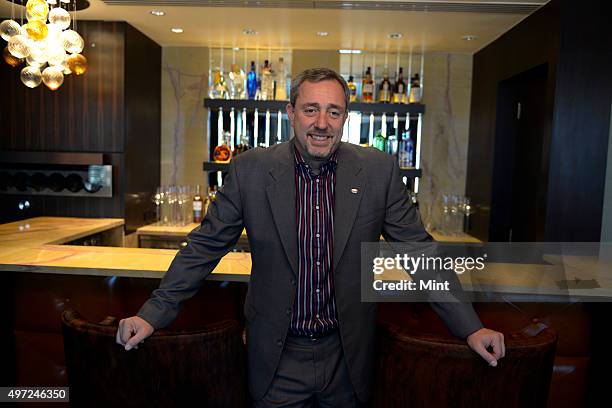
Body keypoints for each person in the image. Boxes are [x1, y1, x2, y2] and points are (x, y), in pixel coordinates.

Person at [117, 68, 505, 407]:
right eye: (311, 109)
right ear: (291, 114)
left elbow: (420, 253)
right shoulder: (251, 171)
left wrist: (470, 326)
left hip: (347, 358)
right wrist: (152, 314)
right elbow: (205, 246)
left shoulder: (377, 171)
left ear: (344, 118)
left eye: (333, 112)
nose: (322, 122)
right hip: (277, 357)